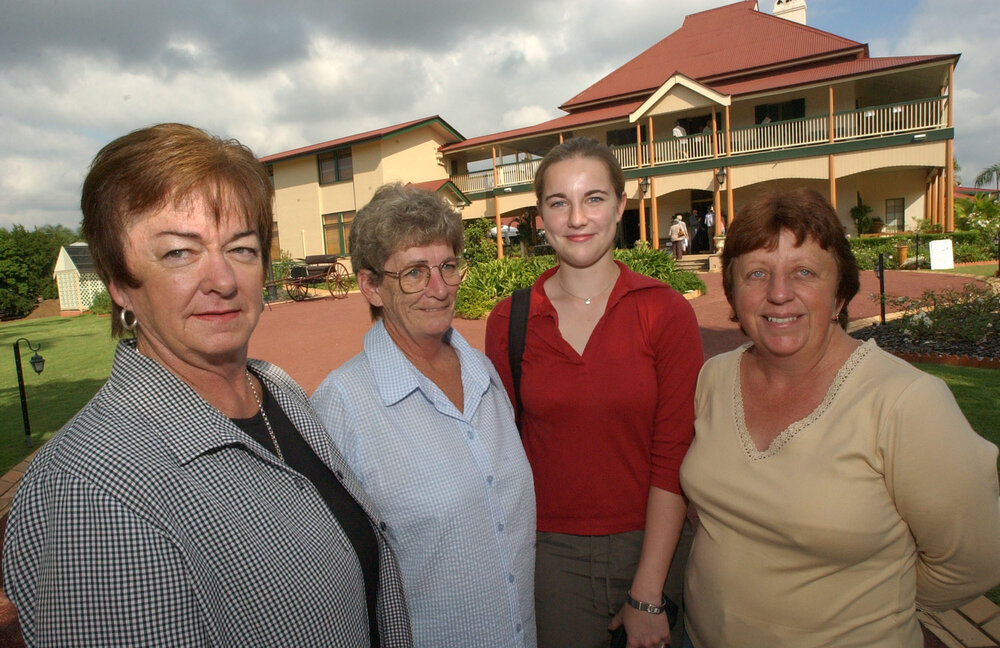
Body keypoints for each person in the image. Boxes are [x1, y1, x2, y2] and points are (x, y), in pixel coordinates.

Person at [1, 124, 412, 647]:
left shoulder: (277, 391)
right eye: (179, 253)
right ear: (121, 283)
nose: (222, 280)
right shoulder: (93, 489)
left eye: (241, 249)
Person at [679, 188, 1000, 648]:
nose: (779, 293)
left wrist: (873, 604)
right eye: (756, 273)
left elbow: (974, 562)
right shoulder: (714, 377)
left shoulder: (906, 402)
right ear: (732, 291)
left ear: (840, 291)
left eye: (804, 272)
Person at [485, 137, 703, 648]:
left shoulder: (663, 312)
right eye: (558, 202)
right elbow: (503, 446)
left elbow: (673, 453)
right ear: (540, 215)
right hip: (549, 556)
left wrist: (648, 593)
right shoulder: (510, 320)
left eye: (594, 198)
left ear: (621, 205)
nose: (577, 218)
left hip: (654, 543)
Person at [311, 183, 536, 648]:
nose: (438, 289)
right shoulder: (344, 405)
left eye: (447, 267)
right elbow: (331, 577)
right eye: (414, 272)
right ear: (371, 286)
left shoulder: (483, 372)